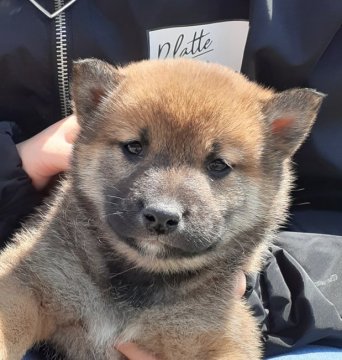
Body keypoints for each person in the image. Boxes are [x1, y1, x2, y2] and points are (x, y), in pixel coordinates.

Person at [0, 0, 341, 359]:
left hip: (282, 310)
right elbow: (22, 291)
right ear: (94, 99)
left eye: (218, 166)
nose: (164, 205)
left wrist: (268, 287)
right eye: (133, 148)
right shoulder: (69, 233)